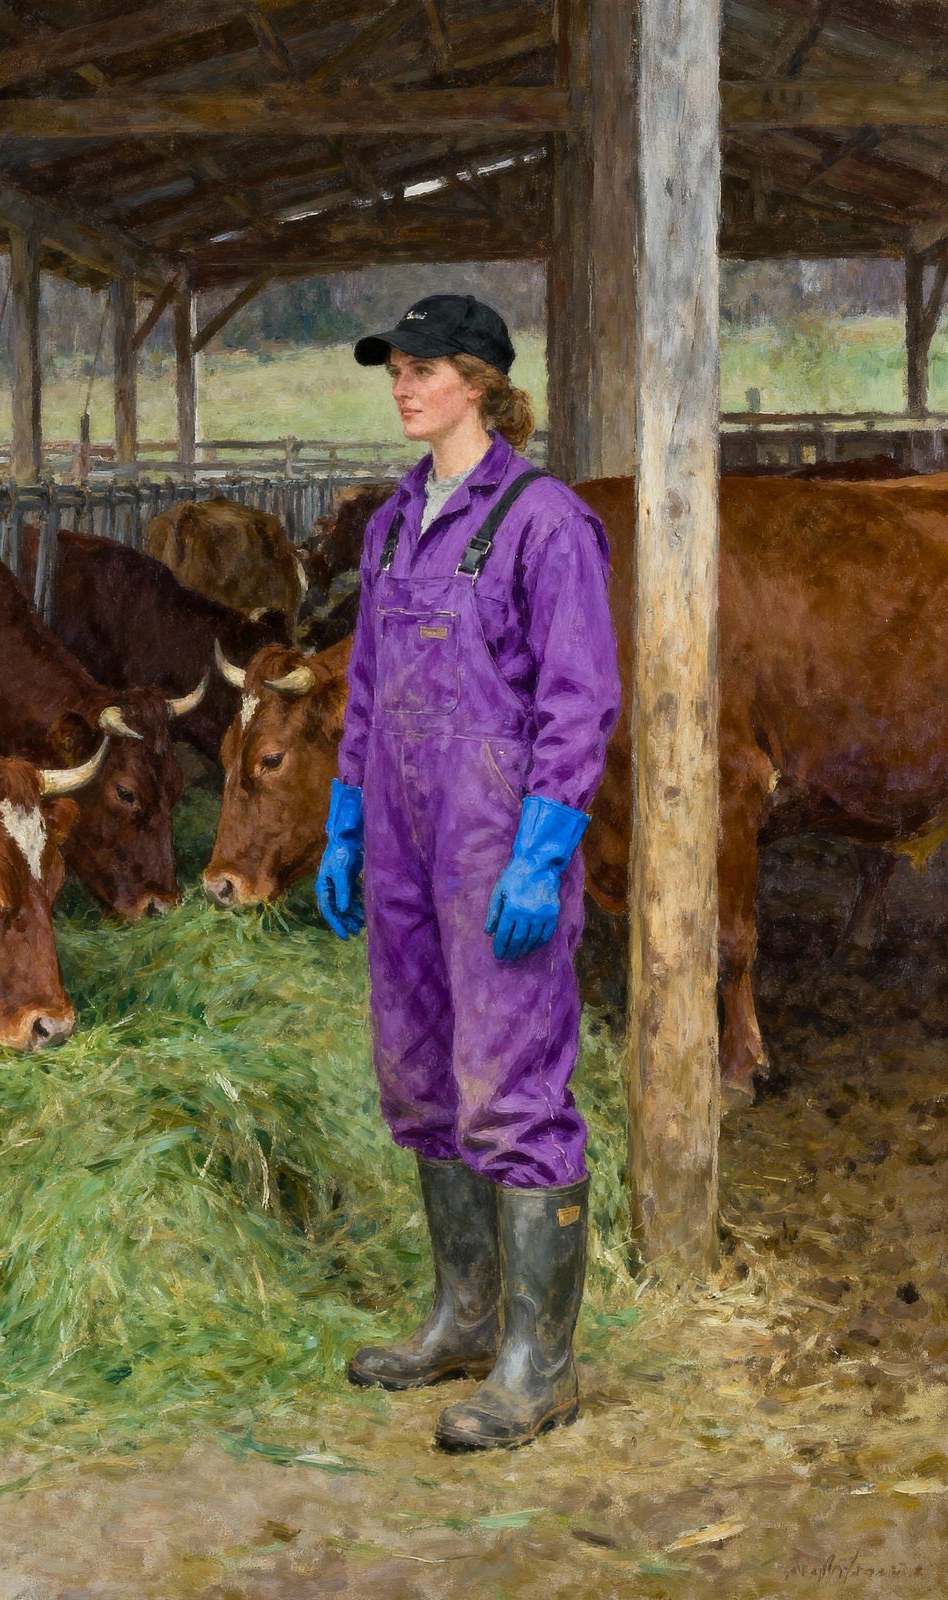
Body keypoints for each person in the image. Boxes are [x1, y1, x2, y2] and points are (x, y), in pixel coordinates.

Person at [317, 295, 621, 1451]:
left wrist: (543, 852)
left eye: (425, 370)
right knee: (418, 1079)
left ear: (484, 385)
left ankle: (540, 1365)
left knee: (511, 1087)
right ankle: (462, 1314)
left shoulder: (543, 523)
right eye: (394, 370)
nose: (403, 387)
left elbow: (580, 697)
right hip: (400, 838)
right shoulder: (393, 521)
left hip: (497, 845)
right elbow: (363, 687)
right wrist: (345, 823)